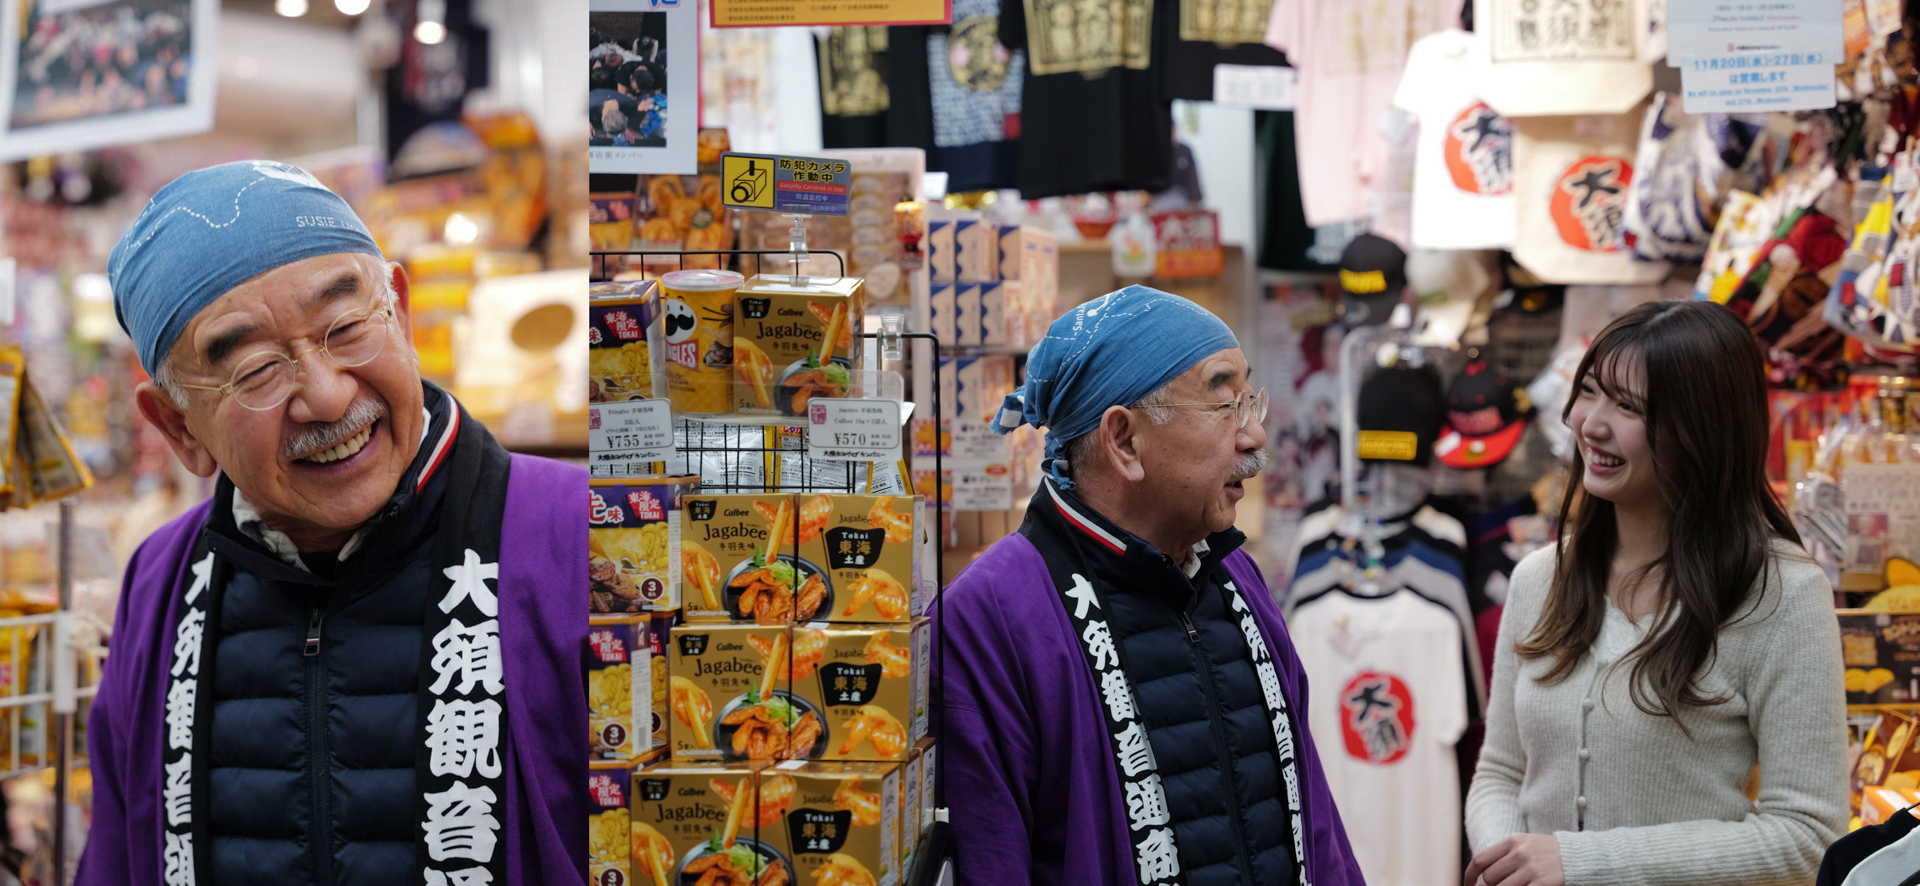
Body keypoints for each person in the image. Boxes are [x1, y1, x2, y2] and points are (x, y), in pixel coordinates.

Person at [77, 161, 585, 886]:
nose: (325, 394)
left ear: (401, 315)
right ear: (177, 428)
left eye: (346, 328)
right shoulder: (158, 585)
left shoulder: (581, 534)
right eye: (255, 370)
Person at [936, 285, 1363, 886]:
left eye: (1251, 403)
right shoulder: (990, 617)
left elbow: (1314, 823)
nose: (1254, 437)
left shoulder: (1234, 573)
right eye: (1224, 407)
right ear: (1124, 440)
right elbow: (990, 860)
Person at [1464, 300, 1847, 886]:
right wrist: (1510, 865)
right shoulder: (1539, 579)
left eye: (1629, 406)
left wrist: (1583, 864)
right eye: (1588, 391)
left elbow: (1808, 836)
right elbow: (1501, 771)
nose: (1591, 423)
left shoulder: (1780, 594)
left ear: (1703, 428)